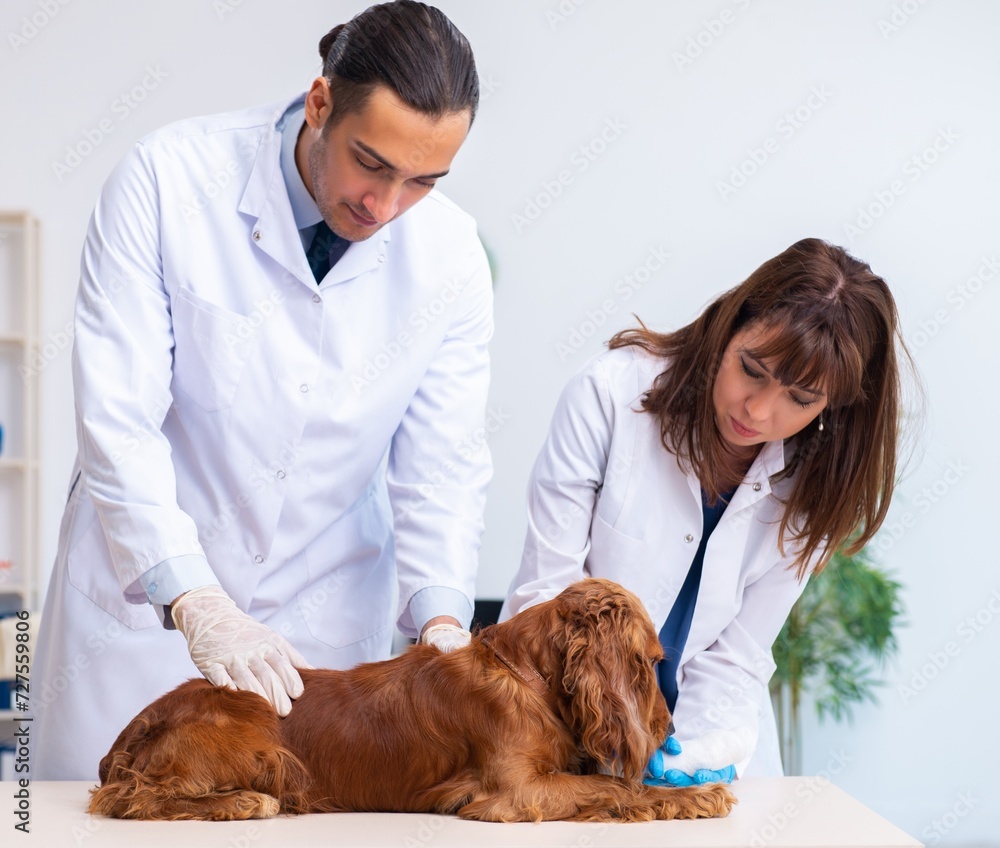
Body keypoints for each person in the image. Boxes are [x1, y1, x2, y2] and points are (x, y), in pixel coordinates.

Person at [34, 1, 492, 780]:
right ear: (320, 103)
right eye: (371, 164)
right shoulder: (168, 178)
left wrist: (443, 618)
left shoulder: (451, 255)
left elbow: (440, 470)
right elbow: (119, 422)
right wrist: (196, 601)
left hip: (323, 629)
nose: (386, 207)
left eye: (423, 180)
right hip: (147, 621)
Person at [500, 238, 911, 783]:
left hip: (704, 732)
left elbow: (737, 654)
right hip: (559, 720)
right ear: (731, 325)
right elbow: (546, 596)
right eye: (753, 369)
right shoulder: (610, 395)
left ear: (834, 405)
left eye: (801, 399)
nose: (759, 411)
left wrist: (689, 753)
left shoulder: (816, 485)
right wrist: (613, 732)